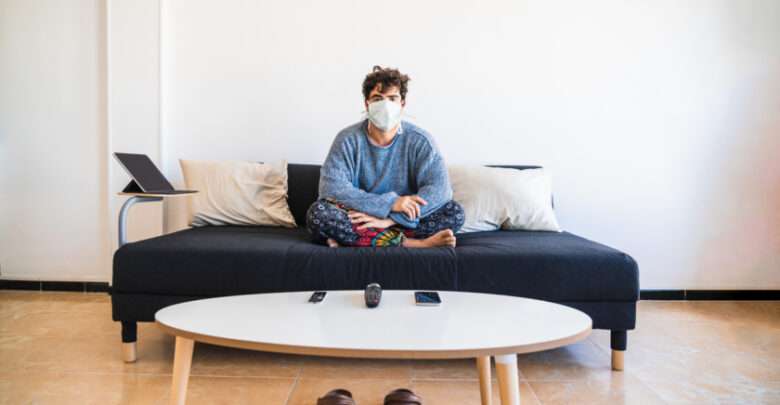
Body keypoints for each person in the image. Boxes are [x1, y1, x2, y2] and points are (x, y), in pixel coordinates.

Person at [306, 66, 465, 248]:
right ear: (367, 105)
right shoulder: (347, 139)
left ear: (402, 104)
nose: (385, 105)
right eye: (377, 99)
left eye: (392, 98)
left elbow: (440, 190)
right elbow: (331, 188)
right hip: (361, 216)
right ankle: (410, 243)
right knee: (319, 214)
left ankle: (361, 239)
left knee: (454, 212)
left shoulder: (421, 141)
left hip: (399, 219)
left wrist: (391, 219)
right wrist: (391, 203)